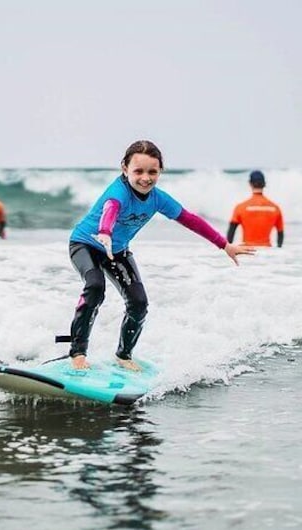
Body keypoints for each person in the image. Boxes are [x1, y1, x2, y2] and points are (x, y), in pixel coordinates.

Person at [67, 140, 255, 371]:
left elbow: (189, 219)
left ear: (160, 171)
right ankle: (78, 353)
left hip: (116, 251)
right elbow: (111, 209)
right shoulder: (119, 192)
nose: (145, 178)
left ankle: (124, 356)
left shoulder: (158, 198)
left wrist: (224, 245)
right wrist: (105, 232)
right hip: (86, 244)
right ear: (125, 169)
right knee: (95, 286)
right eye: (138, 171)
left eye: (152, 172)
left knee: (139, 303)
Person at [226, 170, 284, 247]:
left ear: (250, 184)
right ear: (264, 184)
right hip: (269, 254)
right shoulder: (275, 208)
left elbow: (230, 237)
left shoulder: (240, 207)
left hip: (247, 252)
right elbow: (280, 234)